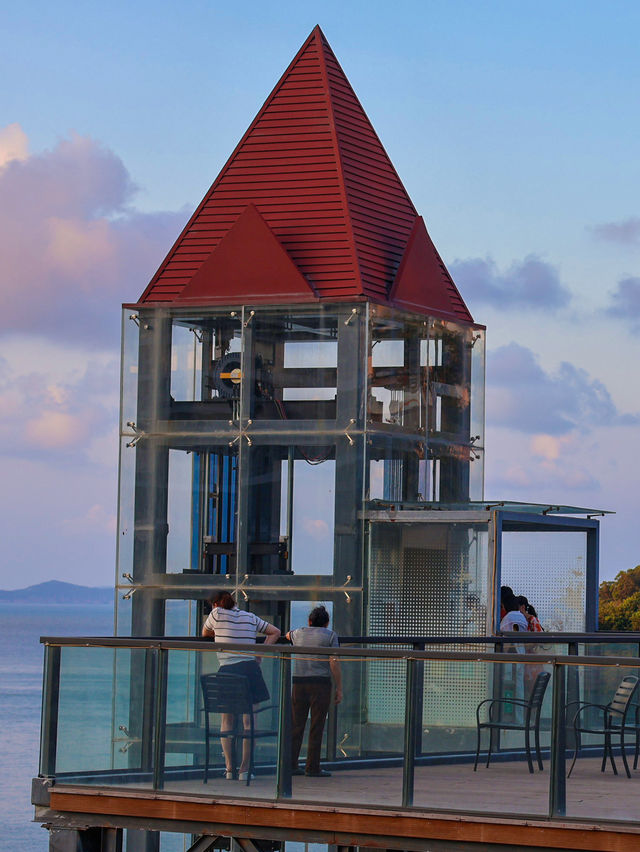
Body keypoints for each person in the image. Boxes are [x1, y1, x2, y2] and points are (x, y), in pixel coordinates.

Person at [202, 590, 281, 780]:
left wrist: (220, 633)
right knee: (250, 722)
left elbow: (205, 633)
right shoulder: (250, 617)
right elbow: (275, 632)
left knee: (226, 721)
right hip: (250, 670)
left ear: (215, 604)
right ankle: (244, 770)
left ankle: (229, 768)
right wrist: (259, 653)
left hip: (227, 672)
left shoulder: (216, 614)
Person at [286, 605, 342, 777]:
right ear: (327, 623)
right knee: (317, 726)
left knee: (296, 724)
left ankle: (291, 764)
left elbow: (288, 635)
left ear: (309, 621)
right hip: (321, 683)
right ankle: (312, 767)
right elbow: (334, 661)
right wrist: (339, 687)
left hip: (299, 682)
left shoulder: (299, 632)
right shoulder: (331, 635)